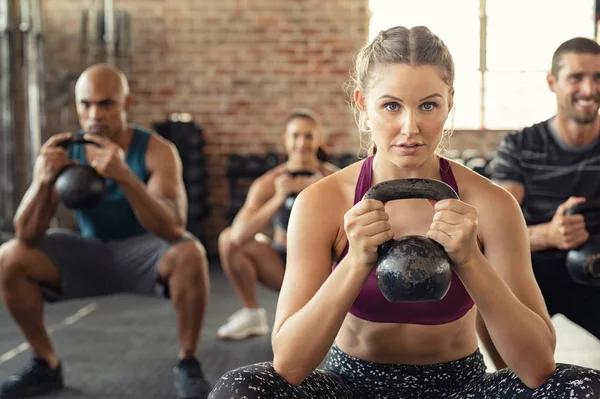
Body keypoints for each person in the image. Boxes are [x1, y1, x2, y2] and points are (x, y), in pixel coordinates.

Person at [208, 26, 600, 399]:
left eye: (428, 105)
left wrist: (469, 259)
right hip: (350, 387)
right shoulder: (321, 202)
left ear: (449, 104)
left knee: (585, 388)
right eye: (391, 106)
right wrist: (355, 261)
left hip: (458, 387)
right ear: (363, 105)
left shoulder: (492, 204)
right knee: (240, 389)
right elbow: (290, 365)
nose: (410, 127)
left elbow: (536, 368)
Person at [0, 64, 211, 399]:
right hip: (89, 252)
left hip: (146, 253)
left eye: (106, 104)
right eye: (86, 105)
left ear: (127, 103)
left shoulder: (157, 150)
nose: (94, 114)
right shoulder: (67, 151)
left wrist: (125, 176)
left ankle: (188, 361)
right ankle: (46, 363)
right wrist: (43, 181)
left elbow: (173, 228)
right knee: (9, 257)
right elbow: (25, 234)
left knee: (191, 252)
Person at [479, 37, 600, 370]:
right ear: (553, 82)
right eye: (576, 77)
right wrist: (550, 234)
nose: (589, 89)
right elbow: (491, 232)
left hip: (595, 269)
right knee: (486, 285)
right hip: (532, 272)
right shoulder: (520, 146)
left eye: (598, 77)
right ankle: (512, 382)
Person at [217, 110, 338, 340]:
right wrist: (278, 197)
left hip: (325, 266)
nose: (302, 143)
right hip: (282, 263)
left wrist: (321, 194)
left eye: (308, 136)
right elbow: (238, 235)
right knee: (226, 239)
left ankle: (347, 316)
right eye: (296, 136)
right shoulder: (269, 183)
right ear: (285, 138)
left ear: (319, 139)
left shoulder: (333, 178)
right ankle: (252, 313)